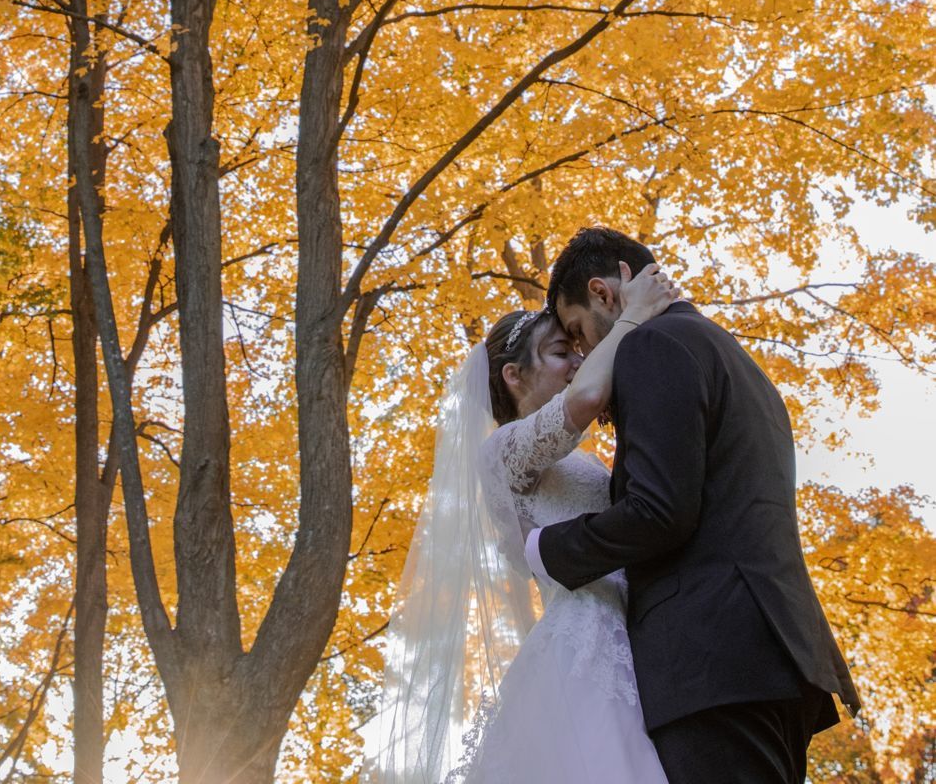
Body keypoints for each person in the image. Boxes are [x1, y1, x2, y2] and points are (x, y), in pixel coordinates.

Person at [528, 225, 860, 784]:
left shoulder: (652, 345)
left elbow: (660, 511)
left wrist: (547, 548)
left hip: (711, 662)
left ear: (605, 293)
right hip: (770, 654)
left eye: (579, 331)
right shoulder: (731, 355)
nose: (586, 352)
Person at [365, 260, 680, 784]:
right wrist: (633, 317)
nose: (578, 362)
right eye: (562, 353)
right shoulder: (500, 451)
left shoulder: (575, 461)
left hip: (633, 632)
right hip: (585, 640)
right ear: (514, 375)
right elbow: (585, 399)